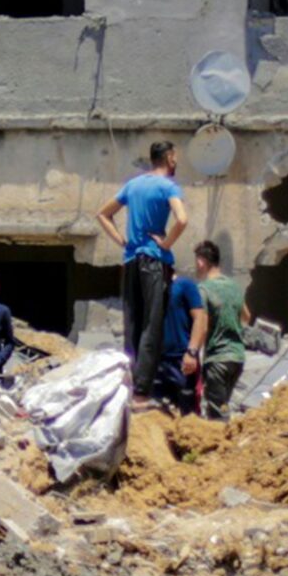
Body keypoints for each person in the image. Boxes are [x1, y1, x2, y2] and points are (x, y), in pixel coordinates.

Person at [98, 140, 187, 399]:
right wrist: (167, 243)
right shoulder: (168, 186)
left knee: (132, 322)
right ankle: (142, 388)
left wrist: (121, 240)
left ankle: (130, 380)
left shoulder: (133, 185)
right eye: (175, 157)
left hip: (130, 261)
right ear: (170, 157)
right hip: (154, 261)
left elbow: (102, 214)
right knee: (152, 323)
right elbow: (182, 219)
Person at [191, 241, 247, 419]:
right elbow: (246, 316)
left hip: (217, 360)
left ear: (201, 262)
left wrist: (192, 353)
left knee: (217, 415)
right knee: (223, 406)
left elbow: (203, 327)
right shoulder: (234, 286)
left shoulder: (204, 289)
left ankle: (222, 445)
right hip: (237, 358)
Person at [157, 262, 207, 416]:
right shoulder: (153, 290)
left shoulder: (184, 285)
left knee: (187, 413)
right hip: (158, 361)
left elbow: (201, 319)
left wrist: (191, 352)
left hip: (182, 361)